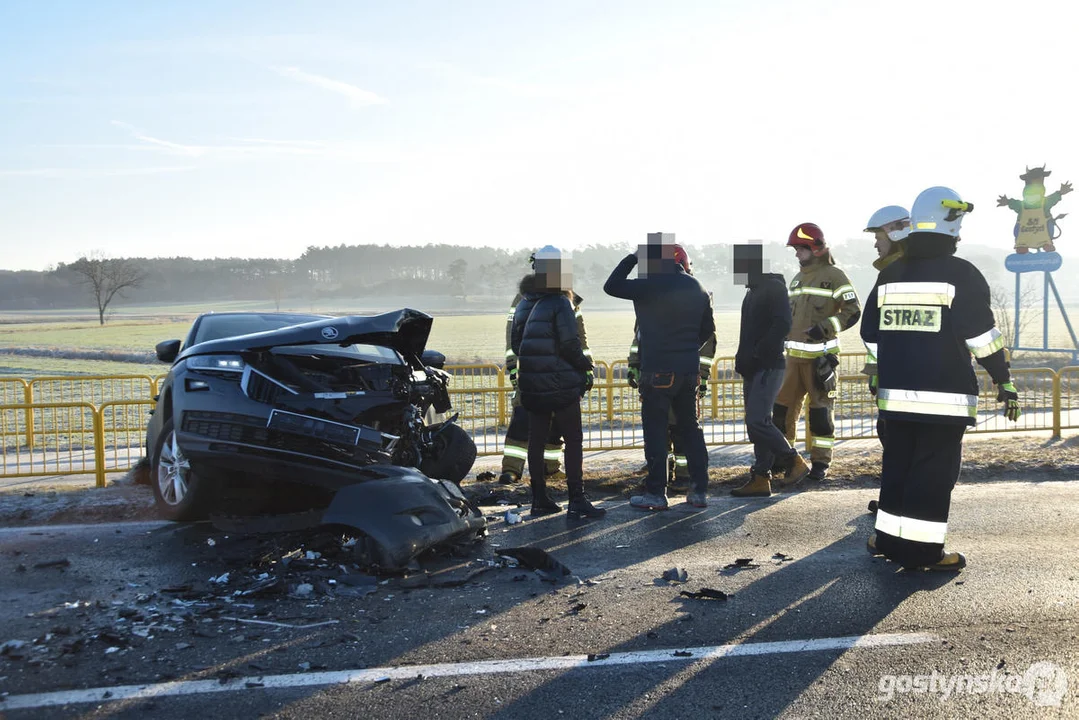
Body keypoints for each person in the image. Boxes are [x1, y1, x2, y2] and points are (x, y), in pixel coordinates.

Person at [861, 186, 1022, 571]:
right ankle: (922, 554)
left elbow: (870, 334)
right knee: (932, 476)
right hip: (943, 400)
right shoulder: (960, 273)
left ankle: (886, 540)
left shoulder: (890, 274)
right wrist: (1004, 380)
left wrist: (886, 372)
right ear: (950, 226)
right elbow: (981, 337)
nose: (962, 234)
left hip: (894, 401)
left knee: (898, 468)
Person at [604, 233, 715, 510]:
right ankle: (699, 491)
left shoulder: (648, 285)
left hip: (658, 371)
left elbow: (611, 286)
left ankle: (656, 493)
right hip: (689, 370)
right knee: (691, 429)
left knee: (656, 432)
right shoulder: (697, 286)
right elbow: (707, 331)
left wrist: (632, 257)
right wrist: (686, 350)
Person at [510, 246, 604, 519]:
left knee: (536, 441)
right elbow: (570, 344)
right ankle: (577, 499)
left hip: (532, 385)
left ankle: (539, 499)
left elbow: (516, 345)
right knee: (573, 439)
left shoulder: (524, 301)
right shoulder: (562, 302)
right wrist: (586, 367)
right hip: (561, 385)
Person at [772, 223, 861, 484]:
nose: (797, 254)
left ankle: (820, 463)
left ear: (816, 248)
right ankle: (785, 459)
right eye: (796, 249)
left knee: (821, 414)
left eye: (800, 249)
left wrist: (824, 329)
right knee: (782, 411)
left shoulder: (835, 276)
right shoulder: (797, 278)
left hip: (821, 359)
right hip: (793, 360)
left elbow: (852, 310)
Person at [496, 247, 593, 484]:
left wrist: (585, 363)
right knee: (523, 421)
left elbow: (580, 337)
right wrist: (514, 367)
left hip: (551, 372)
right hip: (540, 372)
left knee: (553, 427)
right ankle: (512, 470)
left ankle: (549, 470)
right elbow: (514, 338)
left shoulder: (568, 299)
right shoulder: (527, 299)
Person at [730, 243, 811, 497]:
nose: (737, 271)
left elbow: (783, 323)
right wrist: (742, 358)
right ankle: (760, 478)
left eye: (741, 266)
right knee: (756, 425)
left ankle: (794, 461)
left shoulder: (773, 287)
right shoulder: (751, 292)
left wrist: (759, 353)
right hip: (752, 367)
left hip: (768, 365)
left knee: (758, 420)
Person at [861, 205, 911, 513]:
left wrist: (880, 375)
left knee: (898, 444)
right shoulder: (898, 269)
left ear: (895, 232)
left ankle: (899, 505)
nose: (875, 243)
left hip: (899, 380)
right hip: (894, 378)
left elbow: (876, 333)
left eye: (878, 236)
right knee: (894, 443)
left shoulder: (898, 272)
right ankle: (897, 501)